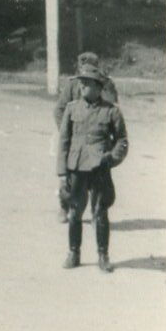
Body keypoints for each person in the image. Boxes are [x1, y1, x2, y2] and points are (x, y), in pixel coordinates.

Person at [56, 64, 128, 272]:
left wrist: (111, 158)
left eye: (86, 83)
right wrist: (62, 173)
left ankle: (103, 256)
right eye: (81, 83)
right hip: (77, 167)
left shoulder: (111, 111)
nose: (81, 86)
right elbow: (63, 142)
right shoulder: (72, 108)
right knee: (75, 211)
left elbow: (122, 140)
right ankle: (74, 253)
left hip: (99, 169)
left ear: (98, 87)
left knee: (100, 212)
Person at [53, 52, 120, 222]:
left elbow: (111, 109)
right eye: (82, 67)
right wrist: (67, 130)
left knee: (99, 179)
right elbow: (59, 109)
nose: (84, 70)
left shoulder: (105, 84)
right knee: (69, 176)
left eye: (89, 67)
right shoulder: (73, 84)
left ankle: (97, 212)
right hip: (76, 138)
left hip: (97, 141)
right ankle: (65, 206)